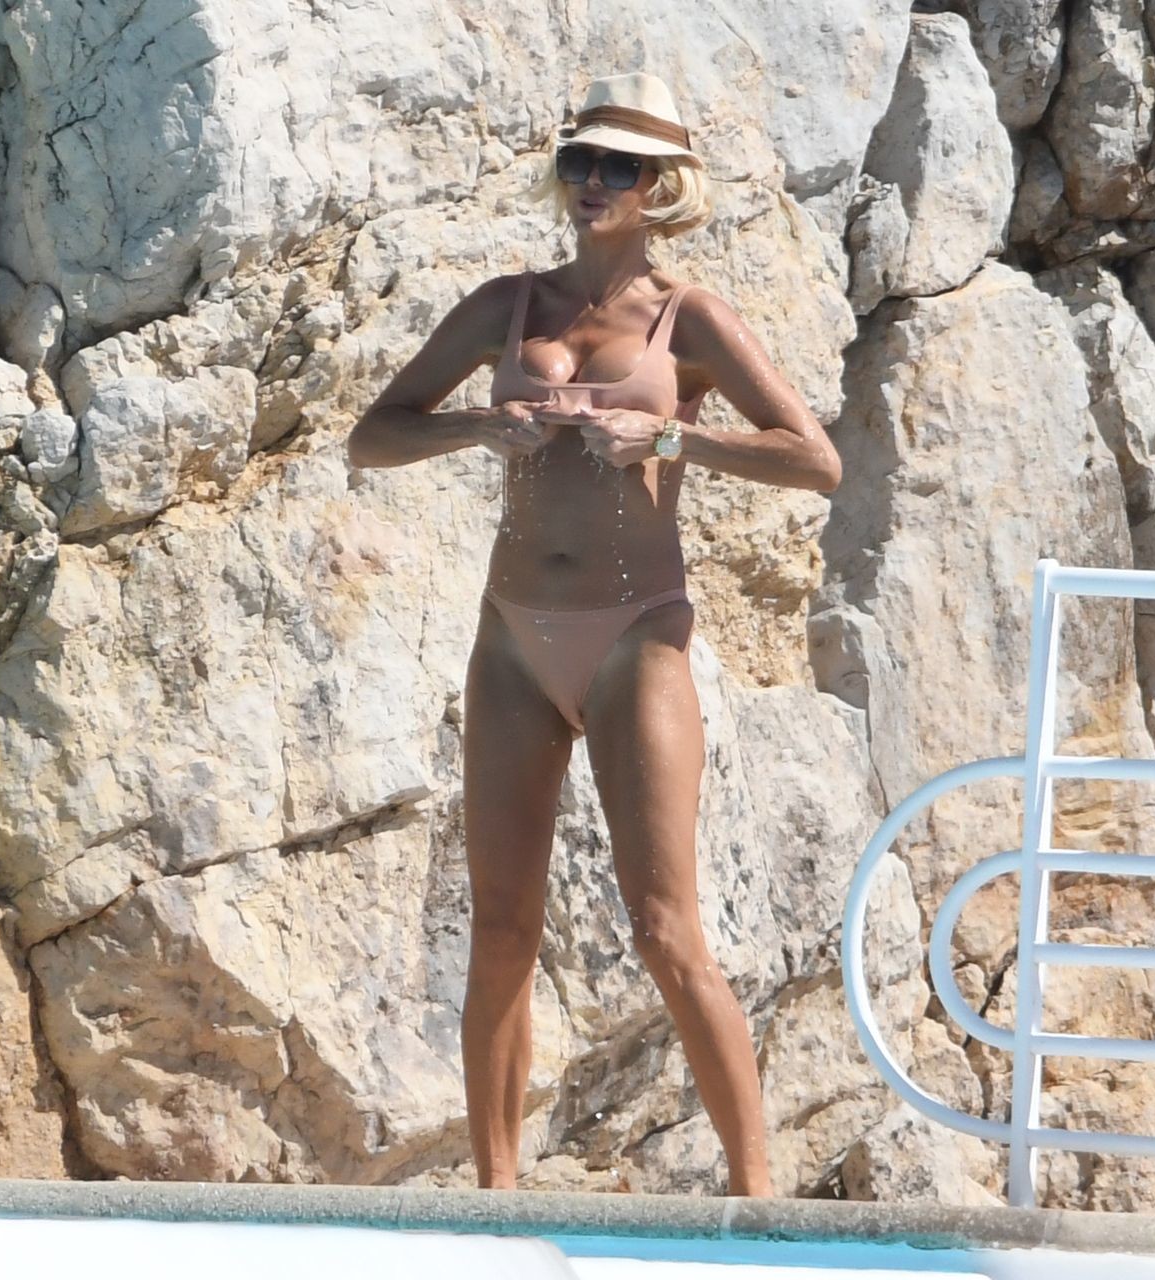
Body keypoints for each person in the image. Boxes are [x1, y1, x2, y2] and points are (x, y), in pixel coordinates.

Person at [346, 70, 839, 1197]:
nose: (595, 181)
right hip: (511, 639)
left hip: (636, 637)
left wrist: (671, 442)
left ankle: (760, 1199)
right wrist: (479, 426)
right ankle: (497, 1203)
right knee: (501, 931)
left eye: (621, 166)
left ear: (663, 186)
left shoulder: (690, 318)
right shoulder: (505, 306)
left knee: (665, 927)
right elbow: (374, 436)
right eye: (581, 160)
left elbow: (815, 460)